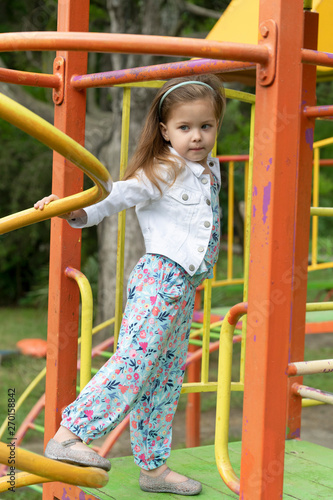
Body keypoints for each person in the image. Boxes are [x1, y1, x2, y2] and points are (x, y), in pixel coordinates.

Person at [35, 74, 225, 496]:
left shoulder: (210, 167)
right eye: (185, 127)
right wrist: (71, 209)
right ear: (164, 130)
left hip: (184, 288)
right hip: (160, 280)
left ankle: (153, 469)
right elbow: (117, 194)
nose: (196, 136)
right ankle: (70, 434)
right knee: (135, 361)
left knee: (165, 378)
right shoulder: (163, 167)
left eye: (205, 126)